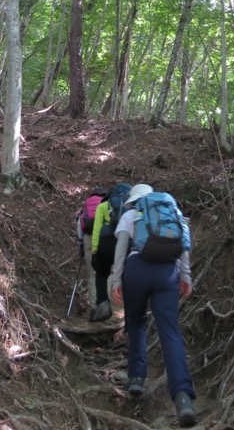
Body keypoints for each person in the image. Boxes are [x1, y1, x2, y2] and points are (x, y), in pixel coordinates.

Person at [111, 184, 197, 428]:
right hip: (167, 273)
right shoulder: (173, 212)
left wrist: (117, 279)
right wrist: (185, 277)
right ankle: (183, 398)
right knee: (170, 332)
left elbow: (121, 248)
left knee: (136, 322)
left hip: (137, 269)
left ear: (135, 199)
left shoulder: (131, 214)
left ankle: (137, 377)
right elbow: (184, 246)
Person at [89, 182, 131, 322]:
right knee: (123, 275)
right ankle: (121, 309)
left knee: (101, 274)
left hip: (105, 243)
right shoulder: (130, 206)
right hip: (124, 243)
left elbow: (96, 231)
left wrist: (95, 251)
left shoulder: (102, 206)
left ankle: (103, 305)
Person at [76, 188, 108, 317]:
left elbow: (80, 225)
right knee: (106, 273)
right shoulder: (107, 204)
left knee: (93, 274)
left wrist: (81, 243)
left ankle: (94, 307)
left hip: (88, 239)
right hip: (104, 239)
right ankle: (106, 305)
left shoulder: (86, 205)